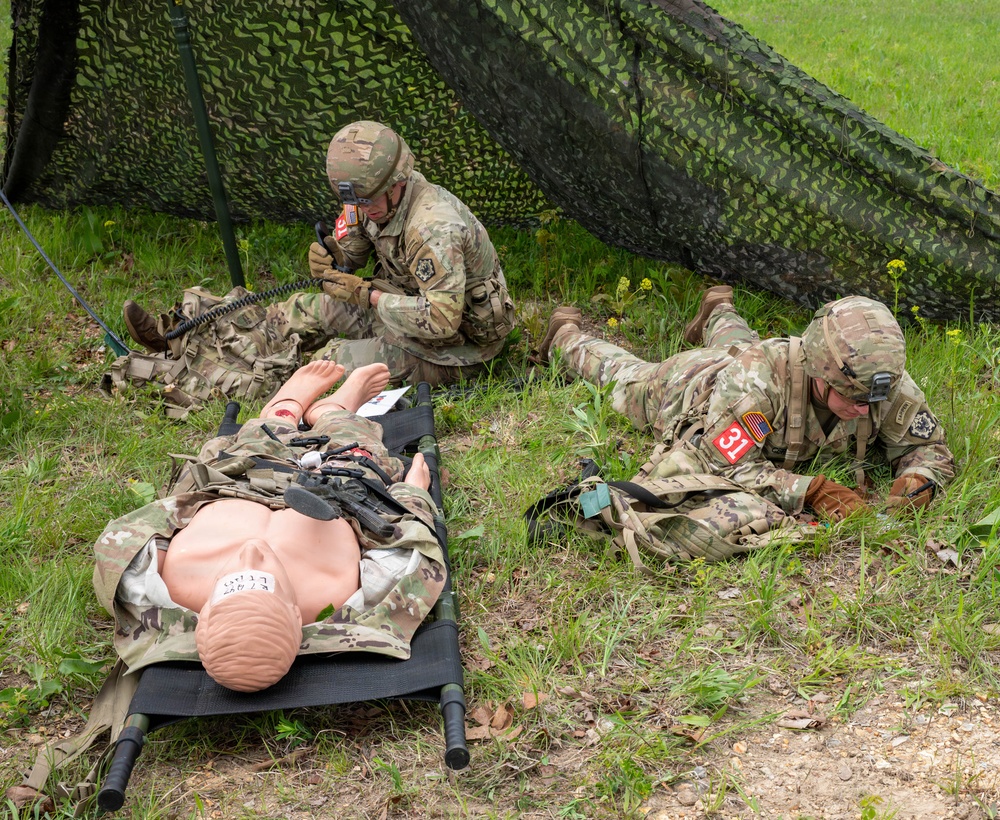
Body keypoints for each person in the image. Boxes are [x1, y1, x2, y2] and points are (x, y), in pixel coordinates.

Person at [93, 361, 447, 692]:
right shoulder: (337, 592)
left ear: (201, 617)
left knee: (262, 434)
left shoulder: (168, 582)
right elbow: (407, 543)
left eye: (230, 580)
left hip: (244, 478)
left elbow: (139, 526)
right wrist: (413, 492)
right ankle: (332, 411)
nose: (251, 552)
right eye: (265, 577)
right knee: (357, 449)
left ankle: (286, 407)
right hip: (338, 485)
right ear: (297, 614)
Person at [122, 120, 515, 387]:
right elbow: (355, 253)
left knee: (324, 362)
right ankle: (181, 337)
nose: (364, 208)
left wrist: (366, 295)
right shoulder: (371, 200)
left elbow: (442, 320)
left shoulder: (433, 227)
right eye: (355, 200)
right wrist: (335, 258)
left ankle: (196, 374)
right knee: (297, 310)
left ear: (398, 181)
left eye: (370, 199)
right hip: (401, 313)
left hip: (458, 351)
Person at [539, 287, 955, 521]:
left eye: (874, 401)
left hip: (749, 358)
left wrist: (920, 479)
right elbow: (727, 464)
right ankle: (566, 338)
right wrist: (808, 489)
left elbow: (928, 446)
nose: (866, 410)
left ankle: (718, 309)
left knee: (740, 345)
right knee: (622, 375)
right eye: (853, 400)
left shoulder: (875, 378)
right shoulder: (753, 387)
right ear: (819, 371)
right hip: (691, 387)